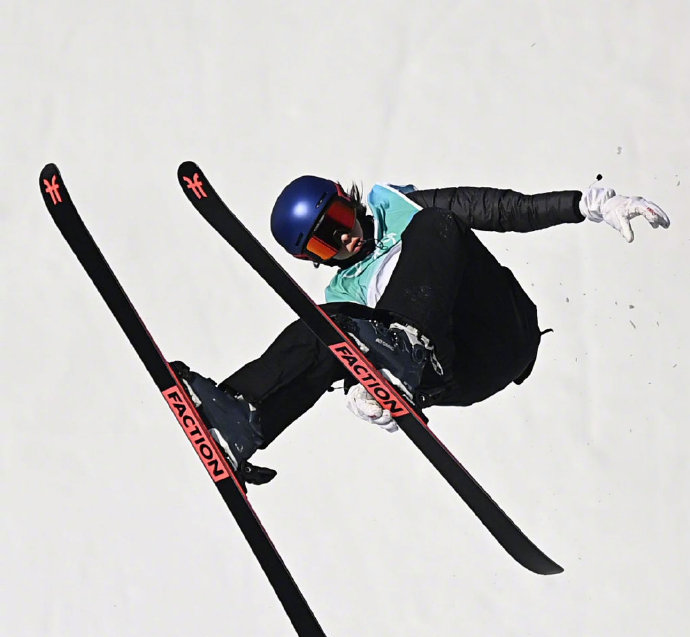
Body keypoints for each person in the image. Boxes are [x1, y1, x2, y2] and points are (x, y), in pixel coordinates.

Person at [172, 175, 670, 484]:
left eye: (340, 218)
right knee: (324, 324)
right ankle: (241, 419)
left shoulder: (401, 210)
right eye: (325, 243)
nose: (345, 238)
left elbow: (501, 209)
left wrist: (585, 205)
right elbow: (342, 360)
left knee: (436, 224)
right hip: (454, 372)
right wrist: (367, 393)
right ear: (312, 258)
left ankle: (405, 350)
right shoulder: (345, 293)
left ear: (348, 199)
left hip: (498, 329)